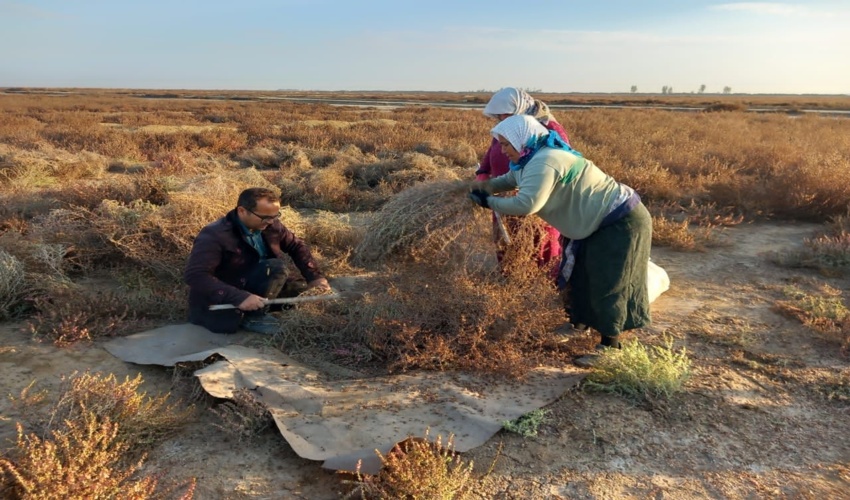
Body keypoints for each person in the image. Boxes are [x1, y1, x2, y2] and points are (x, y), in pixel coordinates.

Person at [468, 115, 652, 365]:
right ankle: (579, 323)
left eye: (506, 144)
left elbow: (527, 204)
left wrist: (489, 202)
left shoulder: (545, 161)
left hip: (619, 220)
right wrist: (481, 188)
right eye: (499, 144)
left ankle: (611, 347)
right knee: (578, 274)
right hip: (592, 222)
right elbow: (509, 180)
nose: (502, 150)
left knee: (608, 281)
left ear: (521, 141)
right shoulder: (530, 158)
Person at [184, 187, 330, 335]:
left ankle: (262, 305)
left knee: (303, 291)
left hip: (262, 284)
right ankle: (253, 317)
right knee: (275, 267)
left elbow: (296, 246)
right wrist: (239, 297)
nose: (271, 221)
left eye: (275, 215)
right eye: (265, 217)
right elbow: (196, 275)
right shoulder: (215, 234)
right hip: (228, 295)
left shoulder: (271, 225)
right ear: (242, 211)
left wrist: (314, 276)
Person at [475, 87, 569, 273]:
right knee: (506, 245)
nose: (503, 120)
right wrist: (483, 174)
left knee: (541, 247)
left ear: (519, 109)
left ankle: (542, 290)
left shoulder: (547, 129)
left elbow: (556, 169)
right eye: (500, 117)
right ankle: (511, 281)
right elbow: (492, 152)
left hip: (537, 202)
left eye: (506, 115)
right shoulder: (508, 128)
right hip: (506, 197)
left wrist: (488, 201)